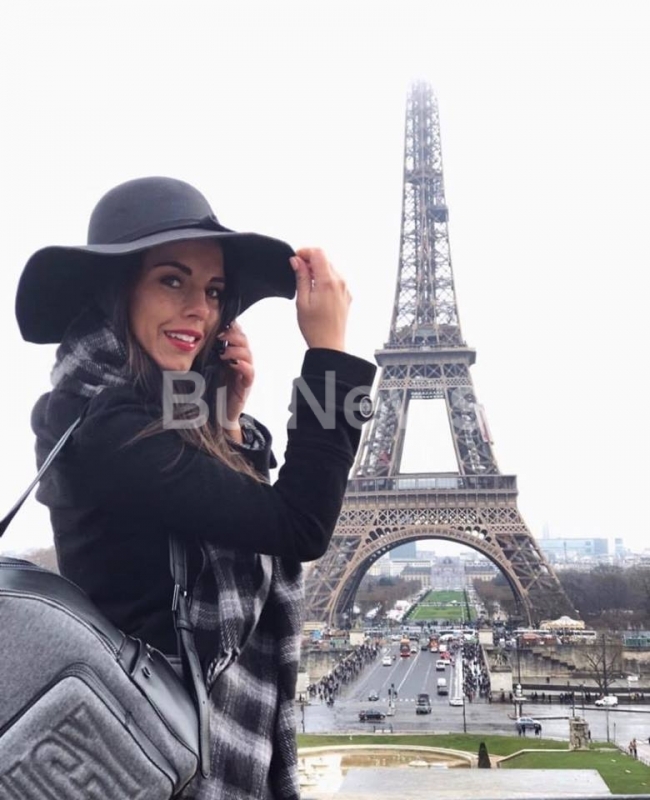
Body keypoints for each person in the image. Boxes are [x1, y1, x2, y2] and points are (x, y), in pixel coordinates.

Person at [15, 176, 376, 800]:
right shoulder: (114, 431)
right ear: (117, 290)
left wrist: (227, 421)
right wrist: (329, 356)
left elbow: (217, 513)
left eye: (212, 291)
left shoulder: (126, 411)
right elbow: (300, 525)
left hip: (158, 746)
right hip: (169, 764)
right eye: (172, 280)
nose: (201, 310)